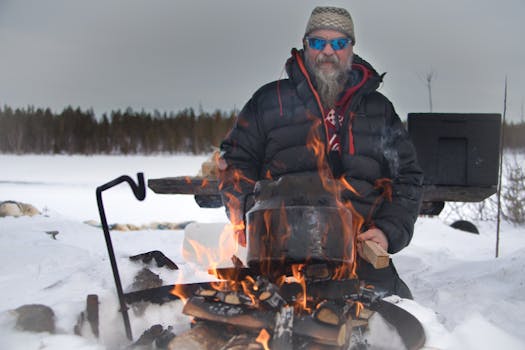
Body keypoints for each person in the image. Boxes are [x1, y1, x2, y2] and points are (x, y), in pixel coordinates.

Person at [218, 6, 423, 299]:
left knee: (393, 321)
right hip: (279, 252)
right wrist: (251, 214)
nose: (328, 51)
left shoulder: (379, 110)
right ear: (305, 46)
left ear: (351, 49)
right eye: (317, 42)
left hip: (357, 255)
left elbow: (408, 178)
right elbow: (233, 165)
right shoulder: (269, 101)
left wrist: (387, 231)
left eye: (338, 43)